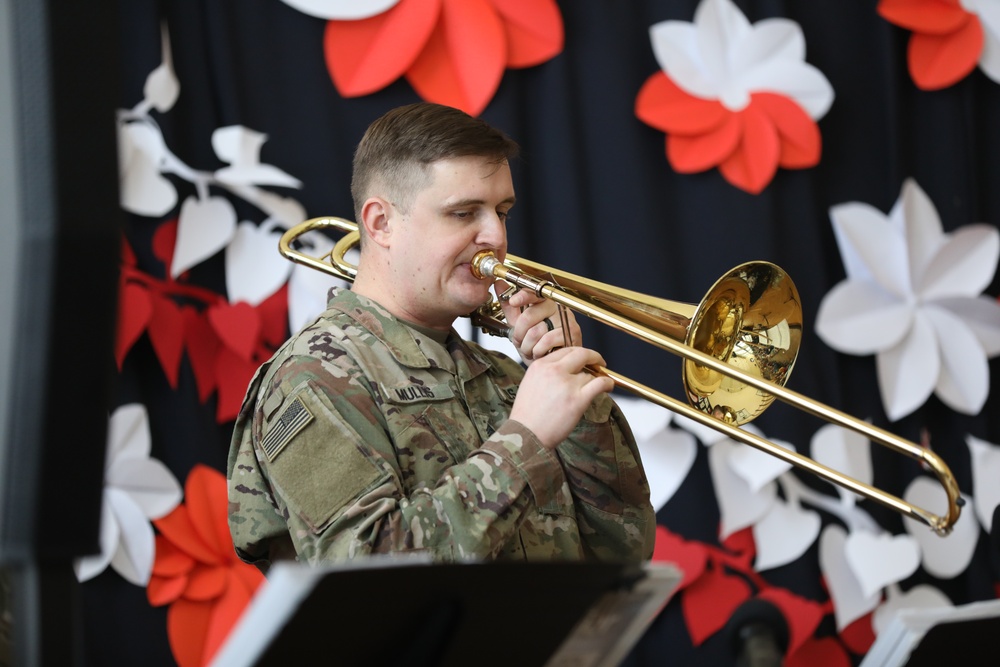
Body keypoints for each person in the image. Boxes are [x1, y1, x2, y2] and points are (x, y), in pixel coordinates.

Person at [227, 102, 655, 570]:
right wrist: (526, 437)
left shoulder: (512, 378)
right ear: (381, 223)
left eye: (502, 211)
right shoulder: (312, 376)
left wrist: (574, 388)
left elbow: (623, 551)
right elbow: (365, 577)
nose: (495, 235)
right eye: (463, 213)